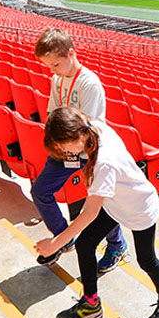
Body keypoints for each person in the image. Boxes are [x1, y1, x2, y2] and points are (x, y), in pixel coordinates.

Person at [34, 108, 159, 318]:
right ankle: (91, 303)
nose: (63, 152)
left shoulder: (104, 163)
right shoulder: (92, 128)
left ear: (78, 138)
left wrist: (55, 243)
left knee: (147, 260)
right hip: (114, 204)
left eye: (64, 147)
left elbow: (90, 213)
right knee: (84, 244)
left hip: (138, 208)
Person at [30, 28, 127, 270]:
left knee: (101, 203)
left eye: (55, 64)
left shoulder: (89, 82)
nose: (52, 70)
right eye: (49, 65)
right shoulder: (56, 79)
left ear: (71, 53)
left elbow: (89, 127)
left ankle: (117, 245)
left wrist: (71, 149)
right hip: (64, 149)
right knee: (40, 190)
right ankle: (64, 237)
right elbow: (53, 113)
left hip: (89, 152)